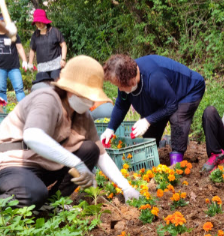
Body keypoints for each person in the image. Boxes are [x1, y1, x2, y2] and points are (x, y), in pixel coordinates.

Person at [0, 55, 140, 209]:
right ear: (70, 90)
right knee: (34, 194)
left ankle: (52, 204)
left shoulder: (82, 115)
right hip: (12, 164)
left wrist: (126, 187)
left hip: (43, 166)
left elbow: (100, 154)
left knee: (90, 149)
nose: (91, 102)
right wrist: (75, 163)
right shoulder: (47, 99)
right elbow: (33, 136)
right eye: (87, 96)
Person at [102, 54, 205, 166]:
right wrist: (110, 129)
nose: (120, 89)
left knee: (177, 117)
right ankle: (149, 161)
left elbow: (171, 106)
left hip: (188, 90)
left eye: (120, 86)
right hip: (166, 95)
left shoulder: (154, 79)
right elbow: (121, 105)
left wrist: (147, 120)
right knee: (150, 133)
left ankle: (177, 163)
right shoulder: (124, 77)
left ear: (130, 79)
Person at [28, 9, 67, 81]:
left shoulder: (54, 31)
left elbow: (63, 45)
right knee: (43, 87)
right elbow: (32, 50)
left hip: (56, 66)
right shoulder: (35, 35)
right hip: (42, 68)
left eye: (40, 21)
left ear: (44, 21)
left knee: (56, 86)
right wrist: (30, 63)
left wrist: (63, 59)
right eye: (37, 22)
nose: (39, 23)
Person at [0, 14, 27, 104]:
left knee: (19, 89)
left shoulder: (12, 34)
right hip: (0, 68)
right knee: (1, 91)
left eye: (4, 19)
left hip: (14, 67)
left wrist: (24, 61)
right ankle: (3, 114)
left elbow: (19, 48)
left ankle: (24, 111)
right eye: (1, 19)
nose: (2, 21)